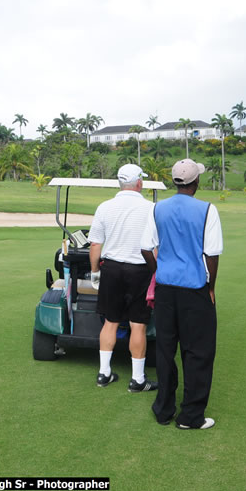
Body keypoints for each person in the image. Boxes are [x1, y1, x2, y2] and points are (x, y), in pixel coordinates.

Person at [141, 159, 223, 430]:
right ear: (195, 181)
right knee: (198, 351)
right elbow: (212, 254)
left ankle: (164, 410)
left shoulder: (157, 208)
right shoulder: (207, 210)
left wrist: (158, 272)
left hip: (165, 289)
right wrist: (211, 287)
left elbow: (145, 249)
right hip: (194, 289)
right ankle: (190, 416)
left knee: (165, 350)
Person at [88, 164, 159, 392]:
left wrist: (95, 272)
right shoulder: (151, 208)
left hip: (112, 269)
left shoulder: (104, 207)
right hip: (140, 271)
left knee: (111, 322)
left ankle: (104, 373)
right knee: (138, 325)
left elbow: (95, 245)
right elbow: (156, 247)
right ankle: (137, 379)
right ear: (139, 182)